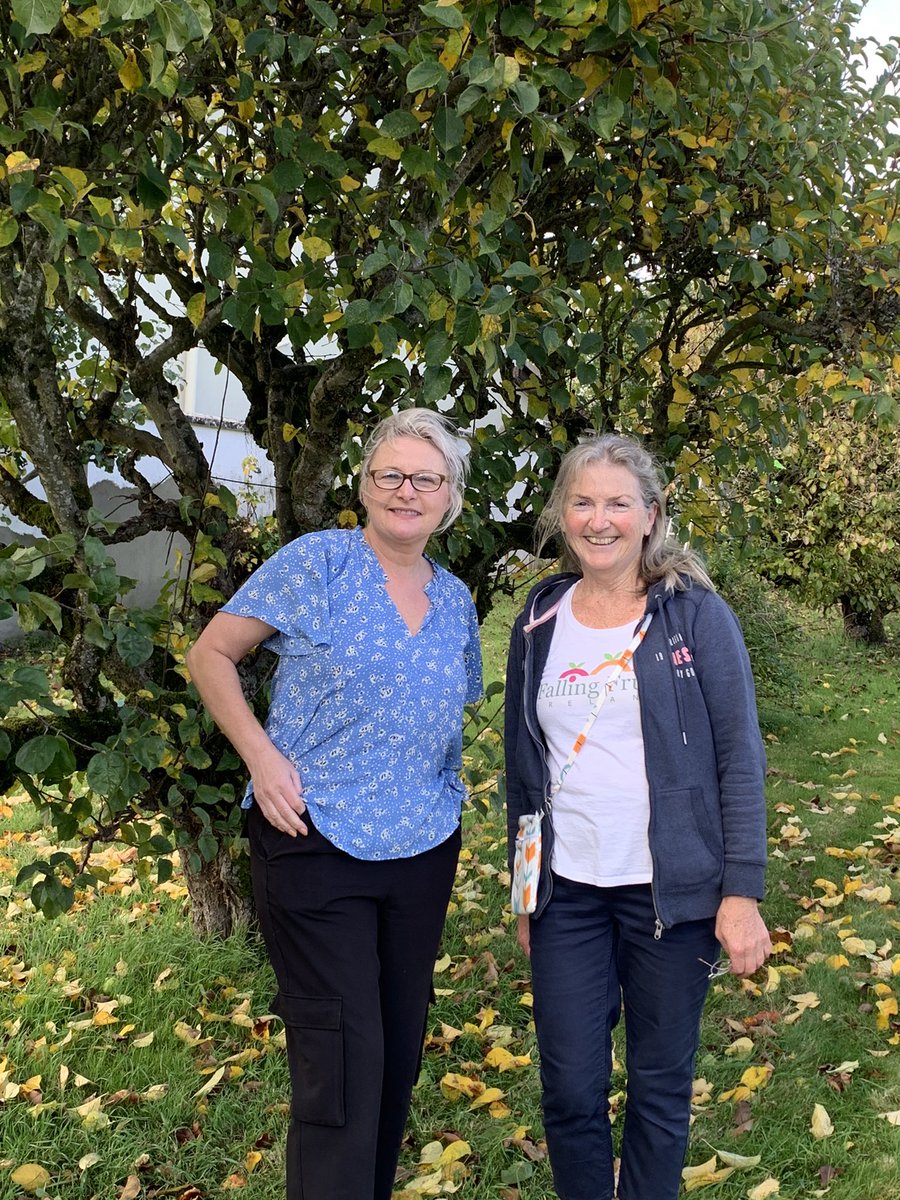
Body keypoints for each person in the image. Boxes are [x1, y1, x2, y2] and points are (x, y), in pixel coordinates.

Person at [186, 409, 482, 1200]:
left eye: (426, 478)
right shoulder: (316, 563)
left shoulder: (456, 600)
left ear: (449, 497)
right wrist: (261, 754)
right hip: (315, 841)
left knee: (395, 1053)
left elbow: (451, 716)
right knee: (342, 1061)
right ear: (365, 485)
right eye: (390, 474)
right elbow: (211, 653)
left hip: (423, 849)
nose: (406, 490)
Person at [504, 434, 771, 1200]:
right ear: (562, 513)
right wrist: (525, 892)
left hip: (671, 895)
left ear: (650, 515)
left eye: (618, 503)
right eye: (582, 502)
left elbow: (739, 758)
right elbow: (526, 772)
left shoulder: (694, 616)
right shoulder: (540, 615)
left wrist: (741, 892)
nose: (599, 520)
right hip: (567, 895)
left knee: (658, 1090)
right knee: (571, 1090)